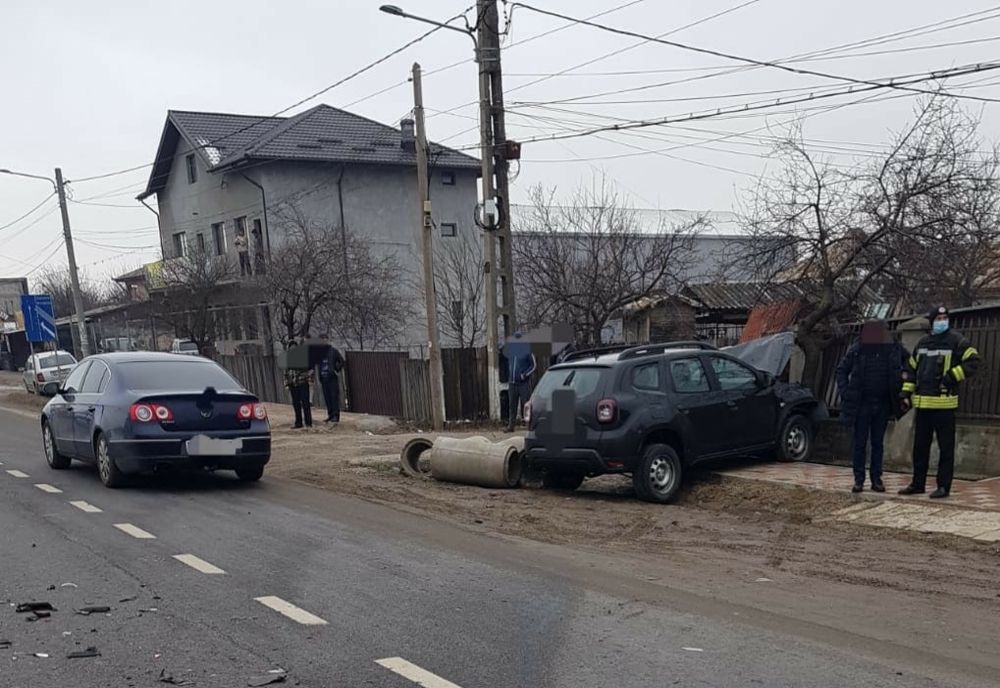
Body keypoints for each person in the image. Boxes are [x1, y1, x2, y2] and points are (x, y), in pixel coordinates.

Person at [899, 306, 981, 499]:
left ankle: (943, 487)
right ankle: (917, 484)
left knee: (946, 449)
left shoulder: (957, 341)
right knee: (920, 448)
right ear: (932, 321)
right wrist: (905, 393)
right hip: (923, 405)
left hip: (944, 406)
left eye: (945, 317)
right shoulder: (923, 343)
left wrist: (951, 376)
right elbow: (911, 371)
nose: (942, 320)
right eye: (939, 318)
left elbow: (974, 362)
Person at [835, 320, 908, 493]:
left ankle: (876, 479)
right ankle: (859, 480)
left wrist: (904, 378)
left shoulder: (893, 349)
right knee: (860, 443)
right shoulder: (858, 349)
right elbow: (841, 370)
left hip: (883, 403)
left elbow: (910, 363)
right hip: (862, 404)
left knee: (878, 443)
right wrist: (845, 392)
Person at [504, 331, 537, 433]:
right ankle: (511, 426)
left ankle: (530, 425)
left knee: (526, 404)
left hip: (523, 383)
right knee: (512, 405)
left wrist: (525, 374)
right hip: (512, 382)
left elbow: (533, 366)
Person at [284, 339, 313, 429]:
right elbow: (285, 372)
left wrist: (307, 378)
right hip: (293, 384)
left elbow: (310, 369)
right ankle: (298, 422)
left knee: (305, 403)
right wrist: (286, 383)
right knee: (296, 404)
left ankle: (308, 423)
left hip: (302, 383)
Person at [317, 333, 345, 423]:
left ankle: (336, 416)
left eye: (324, 340)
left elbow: (342, 361)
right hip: (324, 378)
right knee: (327, 398)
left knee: (334, 397)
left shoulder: (333, 351)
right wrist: (319, 376)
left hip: (332, 378)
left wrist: (336, 370)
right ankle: (330, 415)